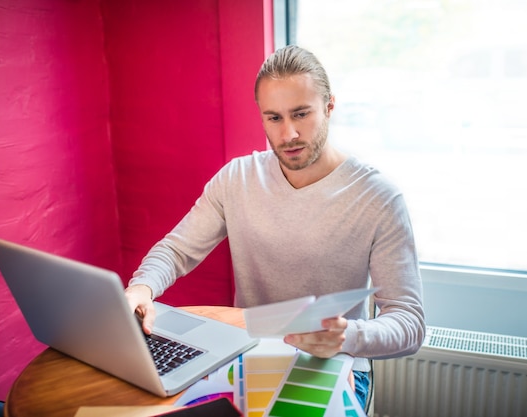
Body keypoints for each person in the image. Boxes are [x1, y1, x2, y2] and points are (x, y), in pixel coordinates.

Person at [124, 44, 425, 410]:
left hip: (333, 363)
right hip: (248, 356)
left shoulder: (379, 198)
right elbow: (176, 250)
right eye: (274, 118)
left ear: (330, 106)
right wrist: (141, 287)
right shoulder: (237, 179)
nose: (289, 135)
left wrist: (347, 336)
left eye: (301, 114)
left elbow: (409, 323)